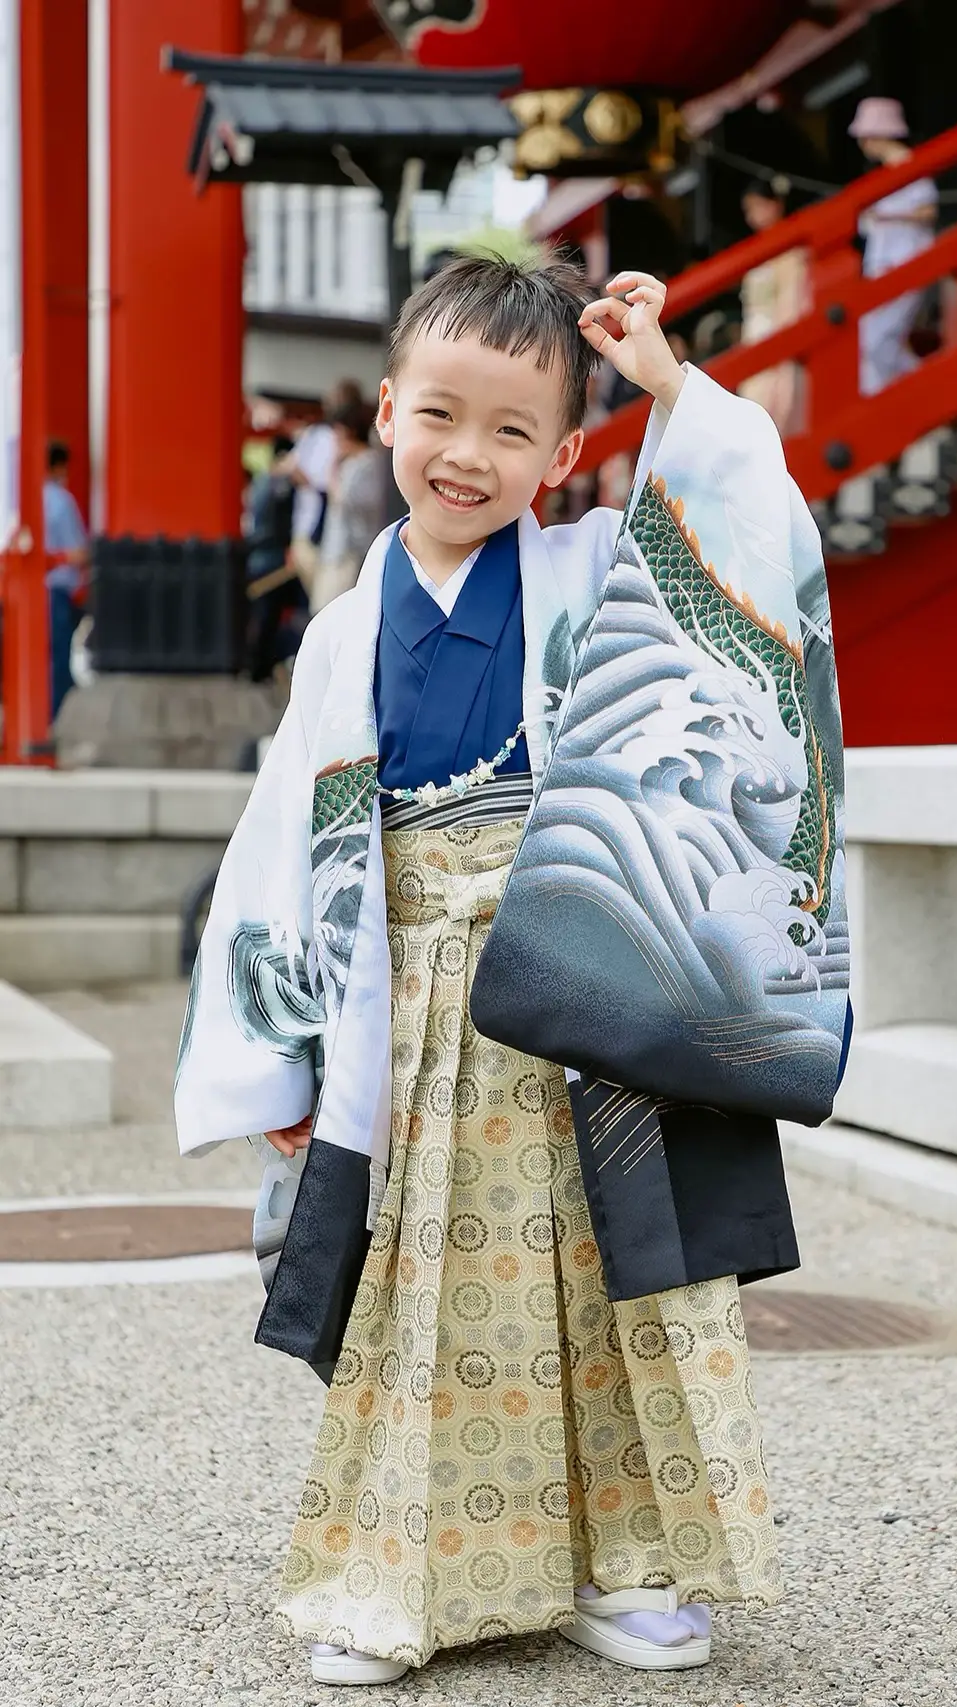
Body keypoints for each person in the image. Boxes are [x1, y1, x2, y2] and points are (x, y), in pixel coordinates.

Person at [174, 253, 848, 1689]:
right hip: (406, 999)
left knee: (618, 1277)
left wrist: (673, 385)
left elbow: (739, 537)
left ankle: (629, 1559)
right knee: (424, 1288)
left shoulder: (596, 568)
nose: (467, 456)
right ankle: (395, 1563)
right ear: (382, 414)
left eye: (512, 430)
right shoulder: (346, 629)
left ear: (567, 453)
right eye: (440, 415)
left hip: (581, 973)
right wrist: (279, 1047)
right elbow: (289, 836)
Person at [849, 97, 938, 395]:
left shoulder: (912, 166)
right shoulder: (882, 175)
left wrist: (886, 215)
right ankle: (916, 390)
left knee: (878, 340)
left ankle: (924, 389)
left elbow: (927, 211)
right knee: (871, 340)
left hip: (906, 262)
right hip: (882, 265)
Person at [737, 176, 809, 435]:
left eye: (758, 206)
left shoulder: (790, 249)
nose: (753, 216)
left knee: (774, 408)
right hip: (755, 333)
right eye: (749, 209)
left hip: (775, 331)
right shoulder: (756, 249)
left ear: (776, 204)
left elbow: (790, 301)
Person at [285, 378, 365, 595]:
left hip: (346, 547)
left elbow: (342, 497)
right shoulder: (318, 435)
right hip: (315, 533)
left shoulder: (365, 456)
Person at [309, 400, 384, 612]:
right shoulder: (352, 463)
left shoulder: (367, 463)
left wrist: (334, 466)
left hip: (349, 552)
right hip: (335, 550)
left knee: (333, 613)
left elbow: (347, 499)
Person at [244, 434, 303, 683]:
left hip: (257, 557)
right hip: (273, 558)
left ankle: (259, 667)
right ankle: (261, 667)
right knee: (269, 616)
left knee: (264, 615)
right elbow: (283, 524)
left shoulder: (260, 481)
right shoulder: (280, 485)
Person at [42, 440, 89, 719]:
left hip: (26, 595)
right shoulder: (60, 500)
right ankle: (52, 721)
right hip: (57, 593)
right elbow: (77, 552)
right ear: (59, 466)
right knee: (58, 662)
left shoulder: (17, 499)